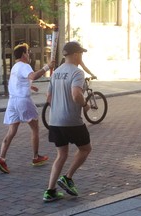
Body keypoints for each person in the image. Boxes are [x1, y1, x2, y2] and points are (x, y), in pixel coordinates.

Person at [43, 41, 92, 202]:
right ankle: (68, 177)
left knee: (61, 154)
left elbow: (48, 97)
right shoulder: (77, 73)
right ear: (76, 54)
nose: (82, 57)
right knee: (85, 149)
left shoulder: (56, 72)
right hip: (71, 120)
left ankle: (50, 191)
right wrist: (85, 104)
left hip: (55, 121)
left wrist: (58, 106)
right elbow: (76, 94)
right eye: (81, 54)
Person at [0, 43, 54, 174]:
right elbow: (33, 76)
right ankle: (36, 157)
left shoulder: (15, 67)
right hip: (23, 100)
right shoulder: (25, 66)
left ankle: (1, 158)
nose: (29, 54)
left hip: (12, 101)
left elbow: (18, 82)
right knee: (35, 127)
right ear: (23, 54)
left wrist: (30, 86)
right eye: (28, 52)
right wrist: (46, 67)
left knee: (11, 131)